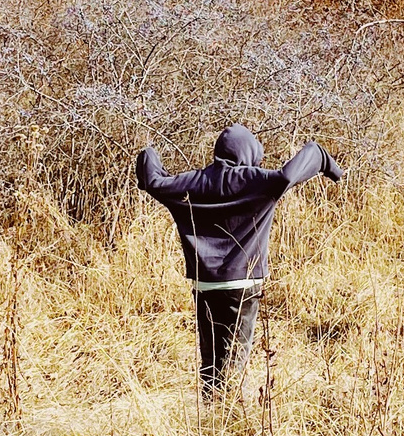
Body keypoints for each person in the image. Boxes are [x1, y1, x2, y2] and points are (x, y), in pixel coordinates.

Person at [136, 124, 343, 398]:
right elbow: (294, 170)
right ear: (249, 153)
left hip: (205, 284)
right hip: (243, 286)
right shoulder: (258, 181)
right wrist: (326, 161)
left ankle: (211, 413)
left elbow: (152, 180)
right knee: (234, 359)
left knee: (211, 362)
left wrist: (149, 150)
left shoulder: (193, 184)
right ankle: (227, 422)